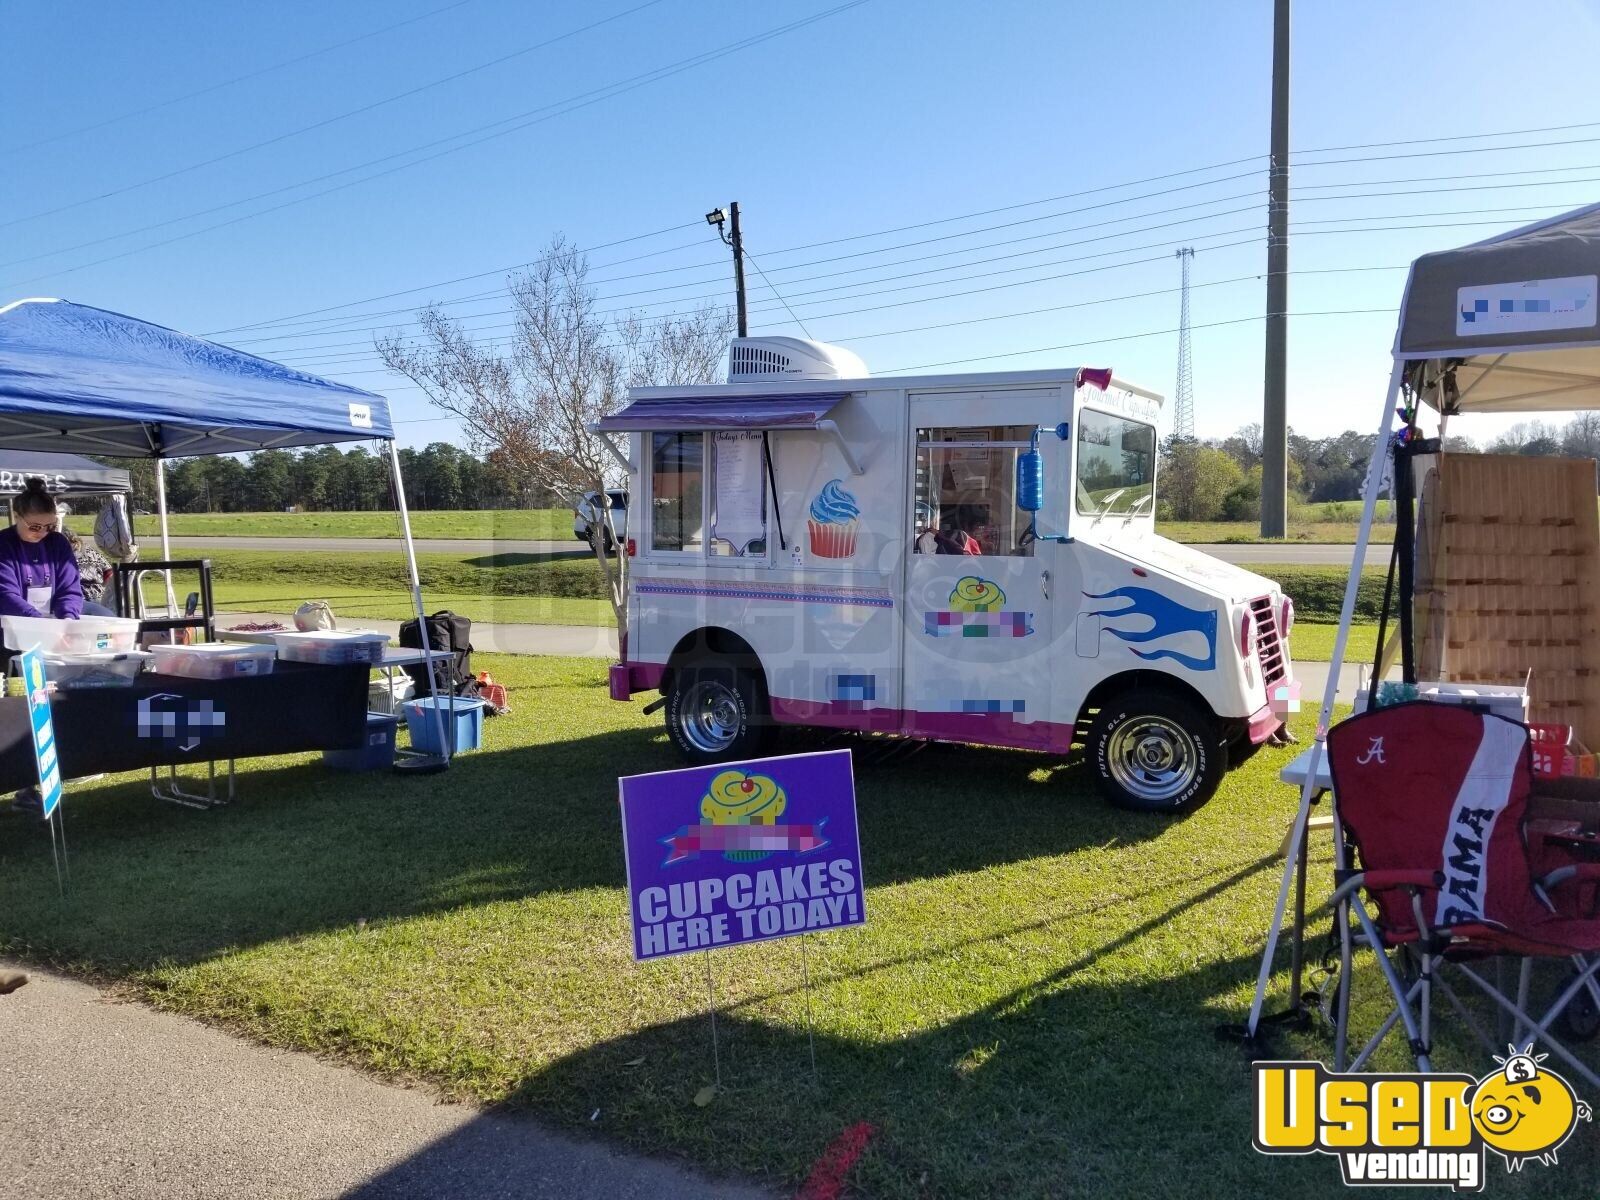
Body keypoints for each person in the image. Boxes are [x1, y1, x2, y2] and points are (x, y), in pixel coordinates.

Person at [0, 478, 113, 620]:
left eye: (50, 527)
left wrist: (68, 617)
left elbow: (70, 589)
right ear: (17, 516)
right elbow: (5, 595)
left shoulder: (58, 542)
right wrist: (38, 621)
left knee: (105, 616)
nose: (42, 533)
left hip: (52, 616)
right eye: (34, 527)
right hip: (12, 620)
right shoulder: (4, 544)